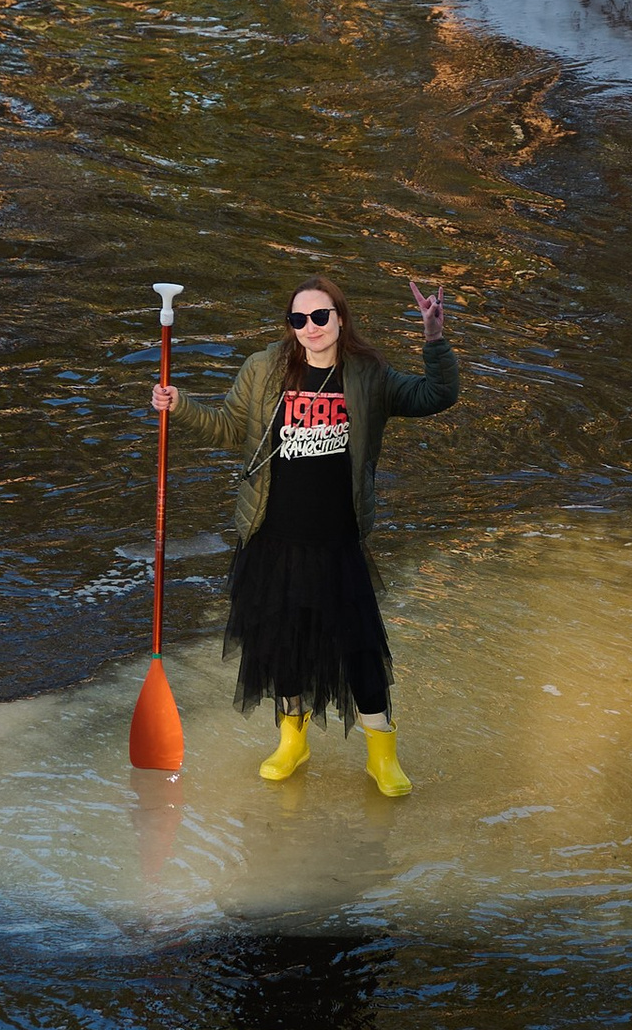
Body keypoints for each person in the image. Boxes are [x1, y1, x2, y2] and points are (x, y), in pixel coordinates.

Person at [154, 273, 458, 796]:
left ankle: (381, 755)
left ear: (340, 318)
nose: (310, 327)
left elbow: (438, 394)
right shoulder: (264, 368)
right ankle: (292, 742)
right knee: (282, 646)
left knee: (360, 649)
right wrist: (179, 406)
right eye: (299, 319)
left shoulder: (368, 374)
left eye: (320, 316)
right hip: (271, 535)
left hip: (337, 541)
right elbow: (231, 430)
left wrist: (434, 338)